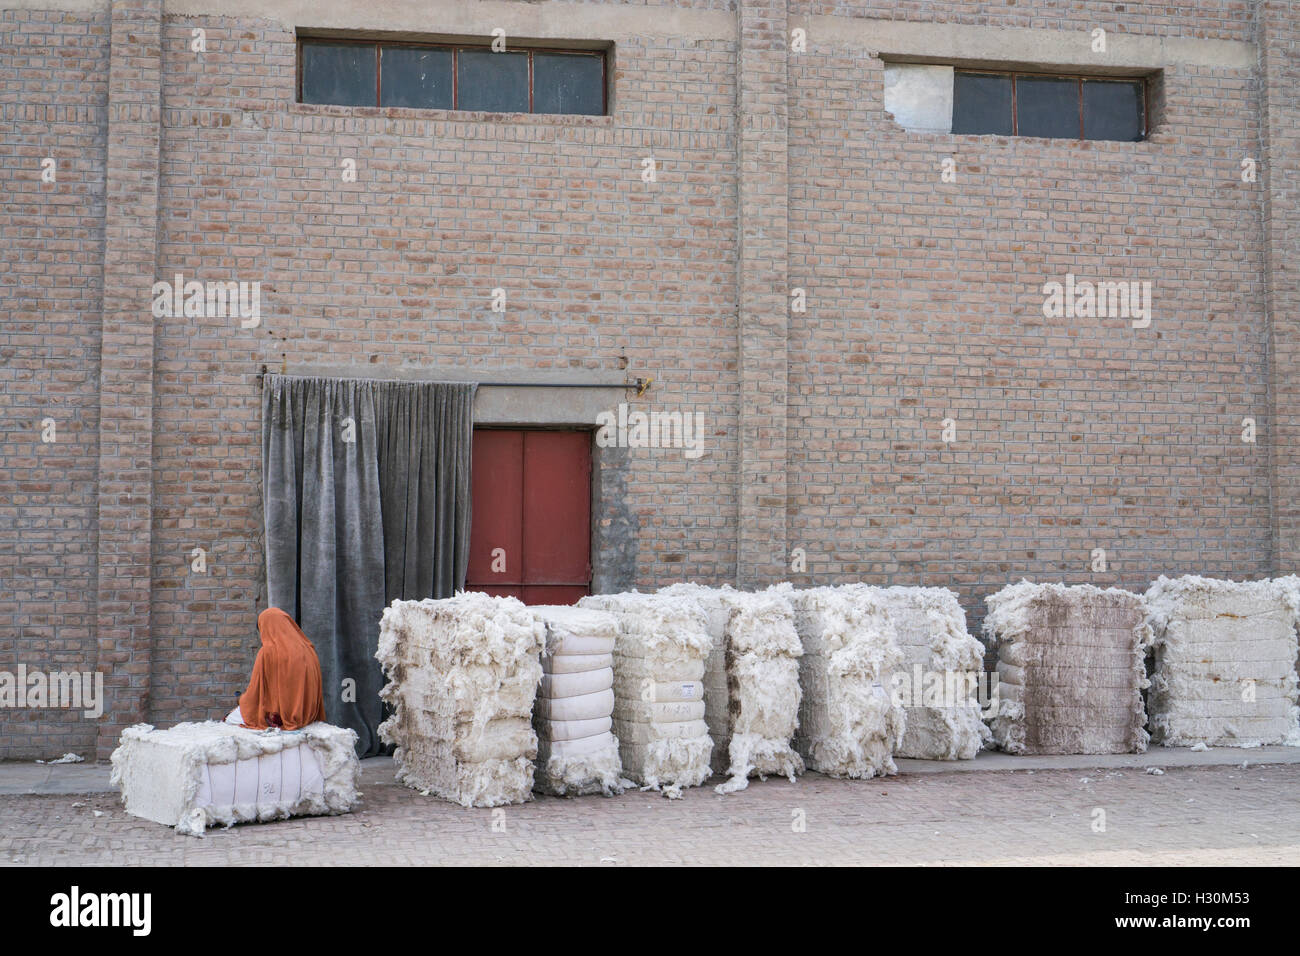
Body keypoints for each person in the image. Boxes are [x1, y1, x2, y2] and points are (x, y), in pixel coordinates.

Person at [224, 607, 326, 731]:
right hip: (308, 715)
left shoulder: (267, 652)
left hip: (279, 717)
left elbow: (255, 691)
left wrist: (242, 699)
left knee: (229, 718)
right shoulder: (309, 649)